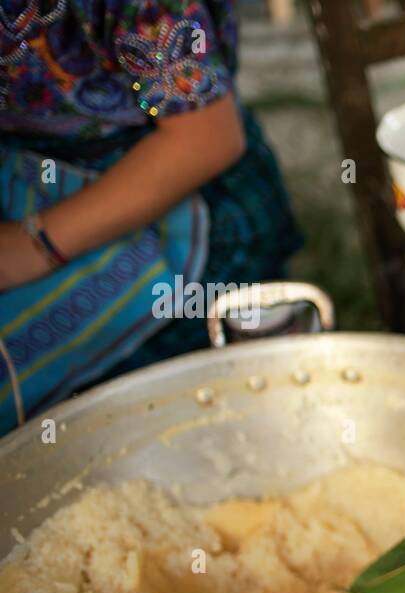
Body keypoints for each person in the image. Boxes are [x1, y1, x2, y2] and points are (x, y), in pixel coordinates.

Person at [0, 0, 301, 432]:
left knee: (213, 424)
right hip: (28, 183)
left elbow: (205, 140)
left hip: (173, 198)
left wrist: (32, 246)